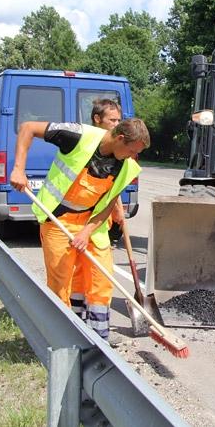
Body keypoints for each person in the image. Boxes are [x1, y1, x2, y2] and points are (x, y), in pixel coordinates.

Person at [10, 118, 149, 341]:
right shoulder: (78, 136)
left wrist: (86, 232)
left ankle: (98, 337)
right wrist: (18, 169)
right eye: (131, 150)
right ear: (120, 139)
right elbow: (28, 127)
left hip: (93, 225)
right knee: (61, 283)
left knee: (100, 278)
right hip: (58, 220)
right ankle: (63, 338)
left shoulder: (126, 165)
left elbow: (107, 204)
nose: (133, 156)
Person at [67, 98, 123, 321]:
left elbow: (111, 185)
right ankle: (76, 320)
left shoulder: (116, 147)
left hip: (98, 223)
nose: (116, 124)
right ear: (97, 119)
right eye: (112, 120)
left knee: (99, 274)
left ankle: (97, 326)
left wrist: (117, 208)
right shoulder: (85, 144)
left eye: (119, 120)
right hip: (75, 219)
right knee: (79, 274)